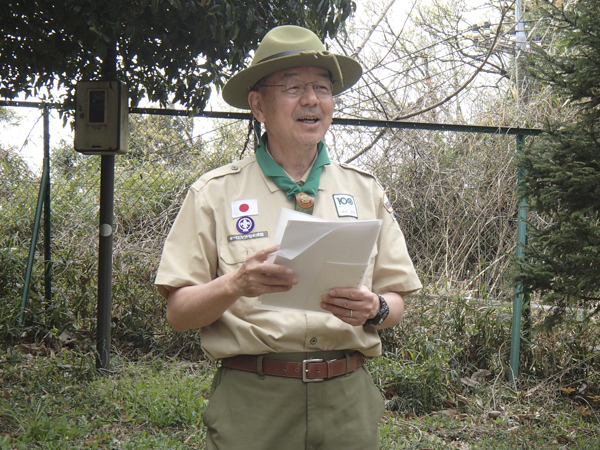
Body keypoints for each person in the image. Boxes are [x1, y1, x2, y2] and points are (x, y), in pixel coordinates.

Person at [155, 25, 422, 450]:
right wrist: (236, 284)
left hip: (347, 401)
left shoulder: (365, 190)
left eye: (322, 87)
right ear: (258, 105)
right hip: (254, 402)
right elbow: (178, 313)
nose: (312, 99)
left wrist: (376, 307)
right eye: (293, 86)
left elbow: (396, 298)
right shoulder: (215, 193)